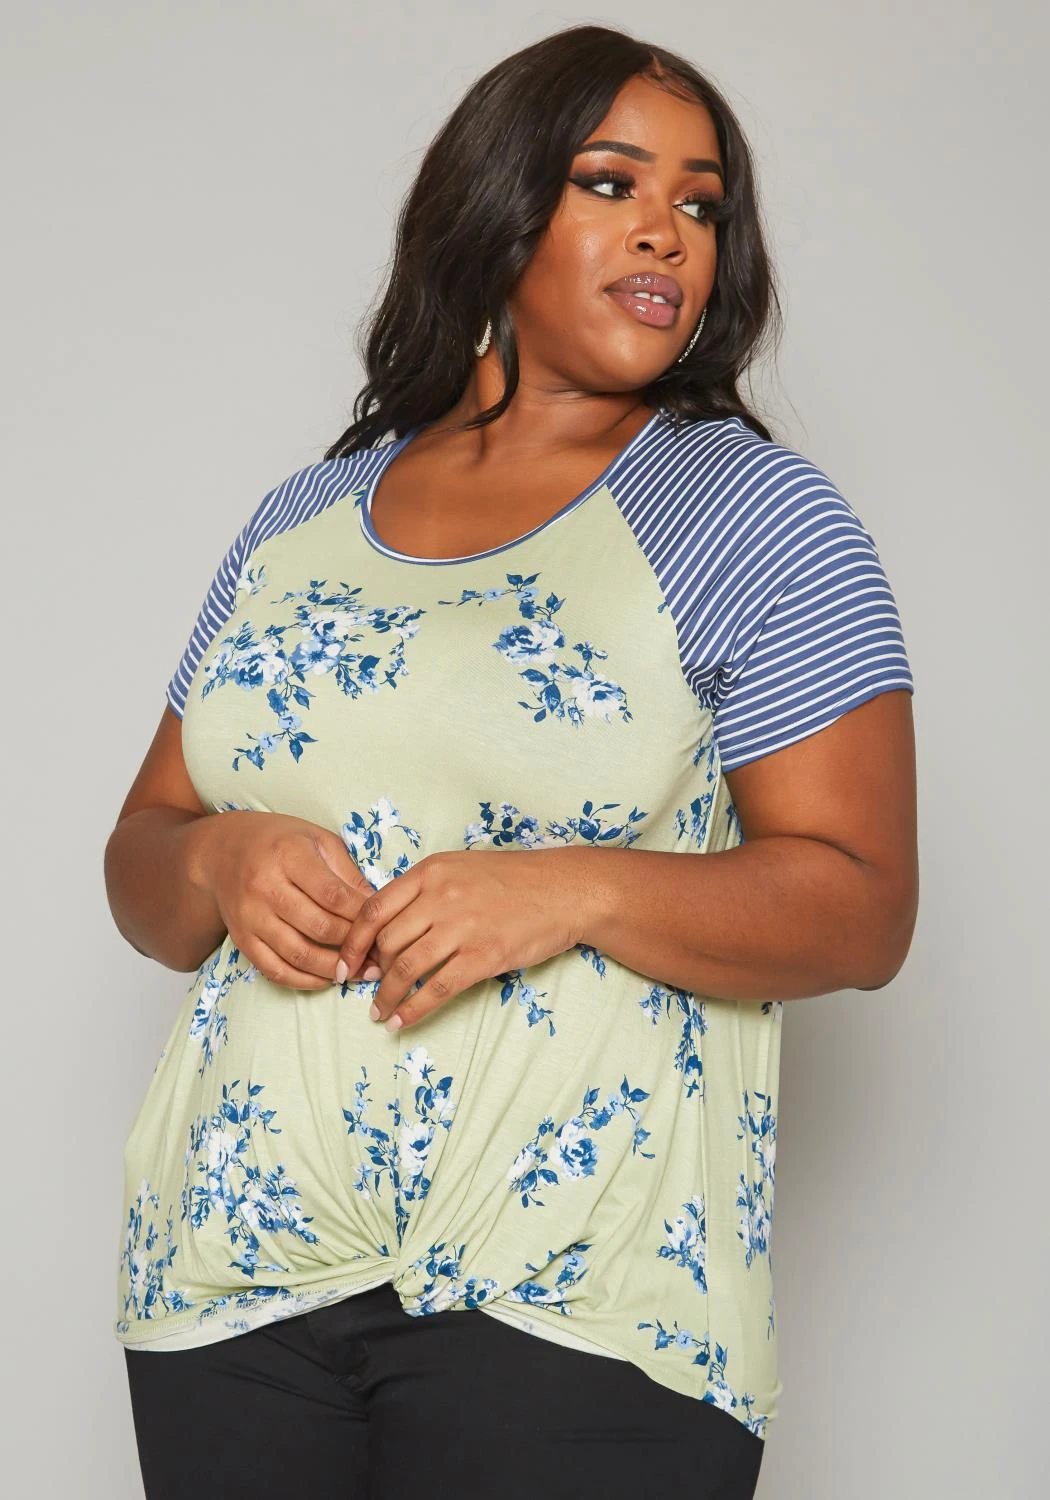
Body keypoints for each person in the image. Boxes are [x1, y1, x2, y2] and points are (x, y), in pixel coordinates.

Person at [105, 22, 918, 1500]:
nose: (666, 230)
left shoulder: (756, 519)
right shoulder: (302, 516)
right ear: (497, 207)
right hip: (230, 1273)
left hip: (575, 1297)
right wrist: (218, 857)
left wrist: (573, 890)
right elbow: (145, 873)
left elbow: (860, 909)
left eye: (700, 202)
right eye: (612, 183)